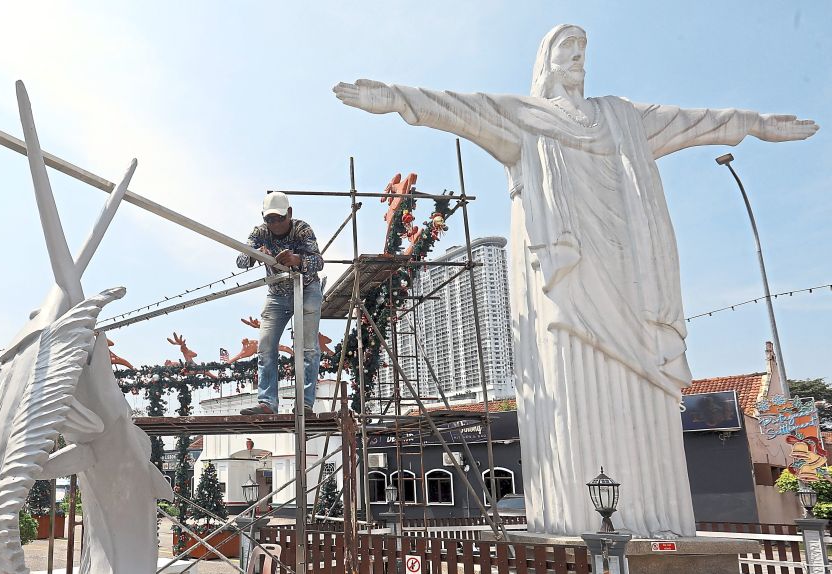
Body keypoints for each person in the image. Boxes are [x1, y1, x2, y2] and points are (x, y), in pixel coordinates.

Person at [334, 24, 816, 538]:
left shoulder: (623, 120)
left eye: (584, 51)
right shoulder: (526, 117)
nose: (579, 59)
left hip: (628, 269)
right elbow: (455, 106)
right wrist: (394, 97)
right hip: (566, 285)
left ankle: (661, 519)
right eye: (569, 50)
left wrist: (756, 123)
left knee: (644, 390)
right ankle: (578, 520)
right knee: (571, 380)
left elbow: (696, 122)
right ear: (547, 61)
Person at [236, 191, 324, 416]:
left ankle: (304, 403)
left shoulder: (302, 229)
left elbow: (318, 261)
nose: (274, 224)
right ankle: (267, 402)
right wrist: (255, 254)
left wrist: (297, 260)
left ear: (289, 214)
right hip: (277, 295)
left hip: (306, 290)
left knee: (308, 348)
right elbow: (241, 260)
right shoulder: (260, 233)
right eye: (269, 219)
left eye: (279, 218)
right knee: (265, 346)